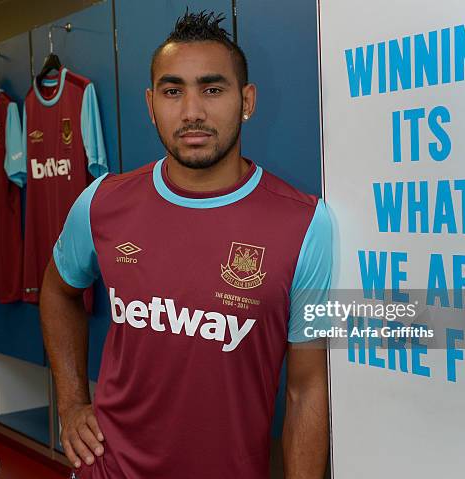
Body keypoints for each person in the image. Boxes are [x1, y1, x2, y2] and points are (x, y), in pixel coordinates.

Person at [40, 10, 332, 479]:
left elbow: (307, 390)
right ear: (151, 104)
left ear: (248, 101)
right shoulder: (101, 203)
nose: (192, 111)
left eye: (212, 89)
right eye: (174, 91)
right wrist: (72, 403)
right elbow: (57, 291)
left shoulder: (306, 224)